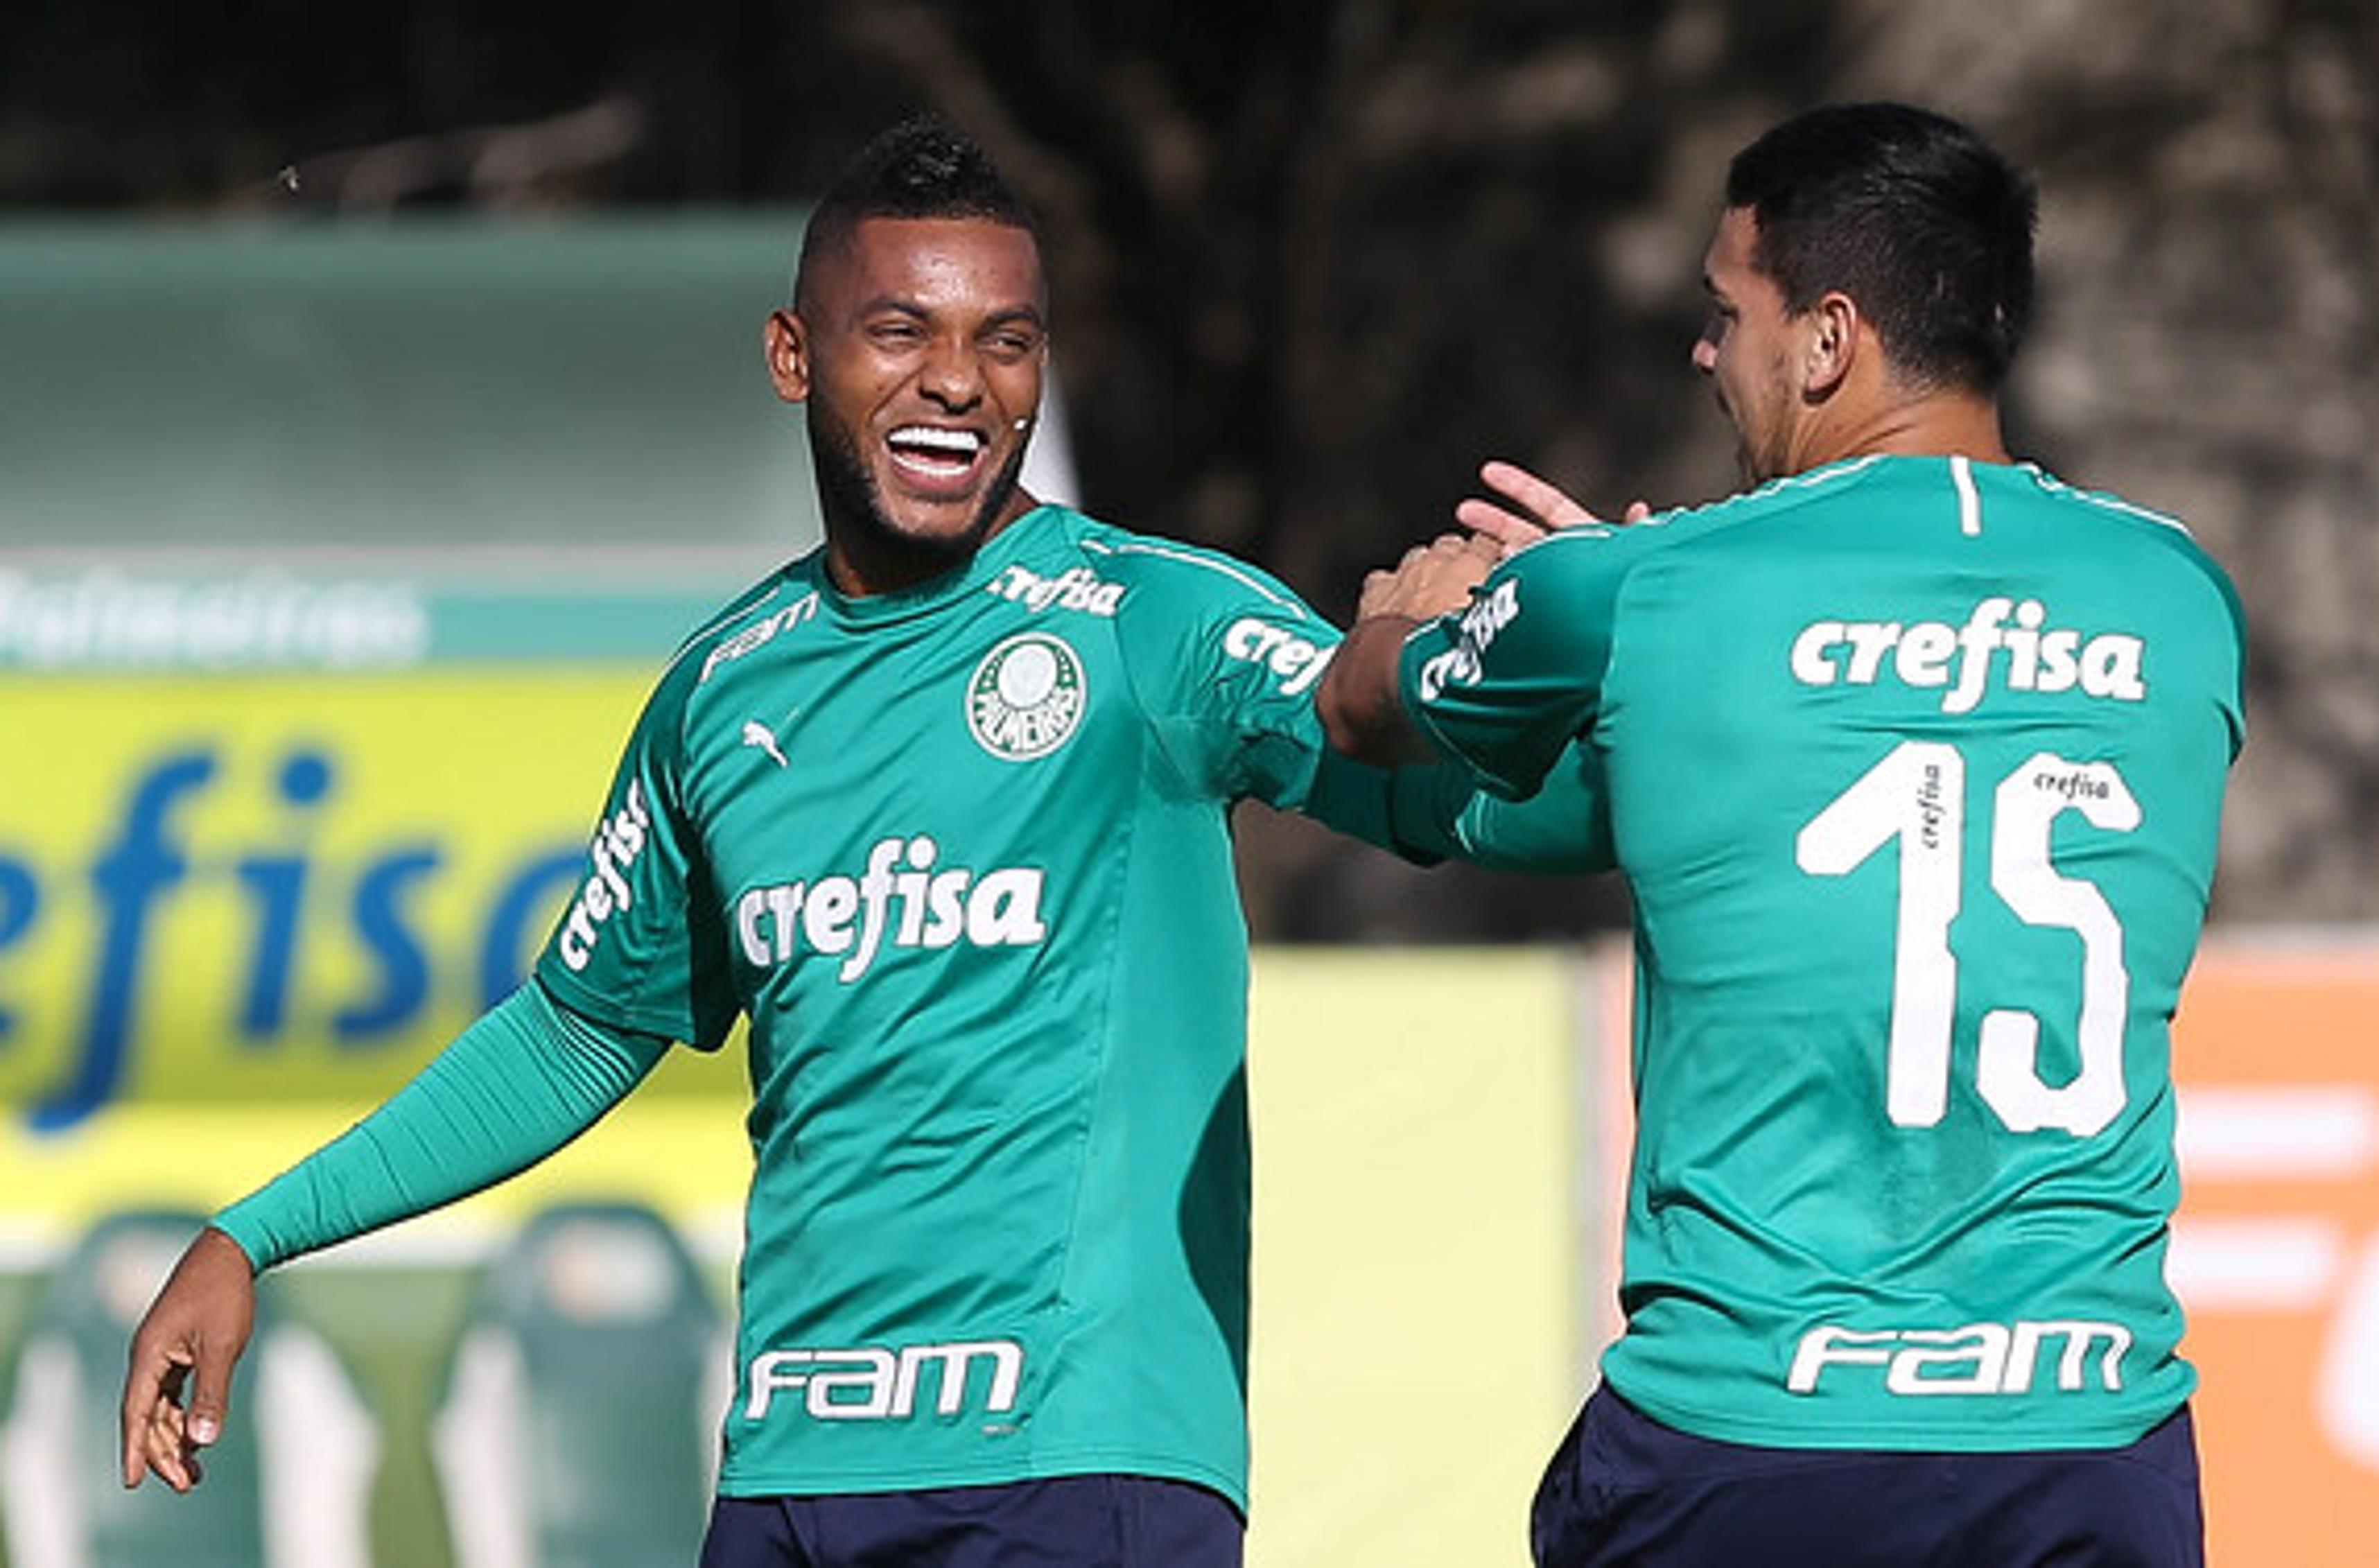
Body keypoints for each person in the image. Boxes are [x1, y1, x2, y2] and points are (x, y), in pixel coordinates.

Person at [118, 116, 1566, 1568]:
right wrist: (255, 1233)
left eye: (1009, 340)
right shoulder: (723, 690)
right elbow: (574, 1030)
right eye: (900, 330)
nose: (958, 381)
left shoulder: (1150, 624)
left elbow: (1449, 790)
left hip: (1072, 1466)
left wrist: (1582, 663)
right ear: (792, 357)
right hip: (794, 1475)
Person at [1320, 102, 2243, 1567]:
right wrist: (1639, 641)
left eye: (1722, 311)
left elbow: (1362, 713)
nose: (1705, 353)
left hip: (1757, 1440)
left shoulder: (1637, 593)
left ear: (1826, 340)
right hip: (2089, 1442)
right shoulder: (2181, 595)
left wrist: (1452, 612)